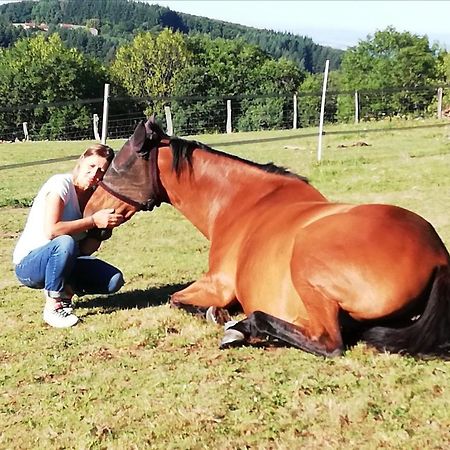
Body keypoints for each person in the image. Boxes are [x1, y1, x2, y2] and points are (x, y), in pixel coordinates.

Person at [13, 144, 126, 328]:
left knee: (114, 280)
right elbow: (52, 230)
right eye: (91, 166)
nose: (94, 174)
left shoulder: (93, 199)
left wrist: (102, 231)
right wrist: (93, 221)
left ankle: (66, 292)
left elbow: (83, 250)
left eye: (101, 171)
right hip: (29, 264)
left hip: (65, 258)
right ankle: (53, 306)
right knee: (64, 241)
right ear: (81, 161)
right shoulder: (60, 184)